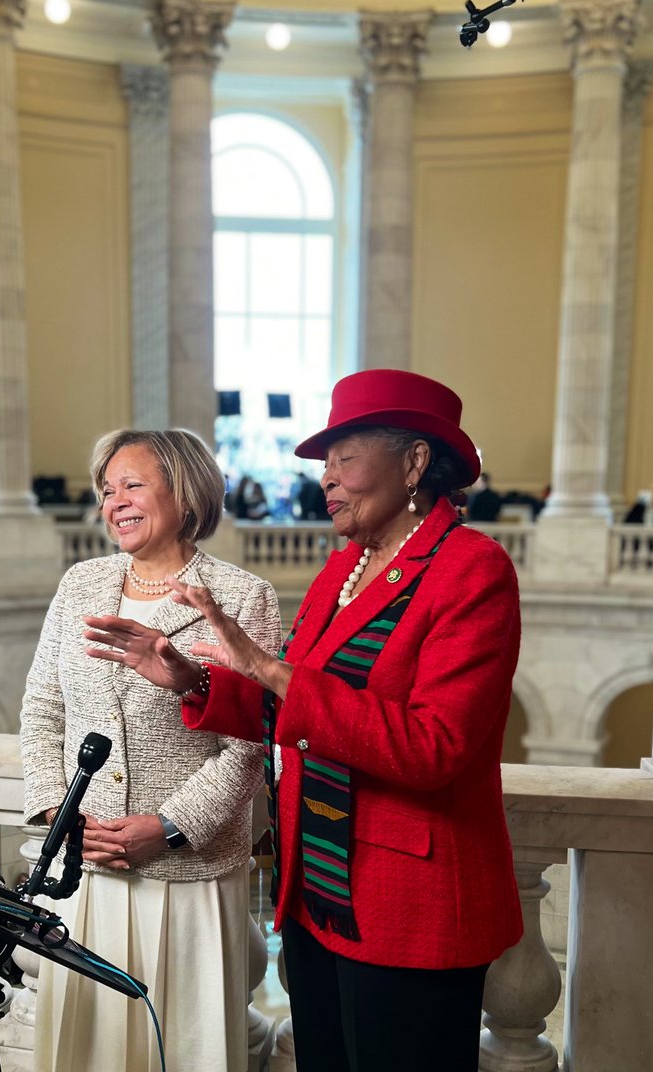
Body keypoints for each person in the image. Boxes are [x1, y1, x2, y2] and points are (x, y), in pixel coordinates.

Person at [85, 370, 523, 1071]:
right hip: (320, 892)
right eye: (325, 464)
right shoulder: (342, 568)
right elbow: (287, 708)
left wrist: (265, 666)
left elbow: (435, 749)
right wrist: (194, 680)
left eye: (346, 458)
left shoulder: (472, 570)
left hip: (410, 908)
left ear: (414, 461)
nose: (327, 478)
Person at [20, 428, 282, 1072]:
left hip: (188, 875)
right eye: (107, 491)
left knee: (182, 1047)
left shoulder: (242, 597)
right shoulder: (80, 584)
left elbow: (247, 744)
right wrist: (62, 817)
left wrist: (166, 829)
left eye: (132, 484)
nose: (115, 502)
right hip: (88, 869)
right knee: (94, 1049)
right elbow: (42, 710)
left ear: (185, 491)